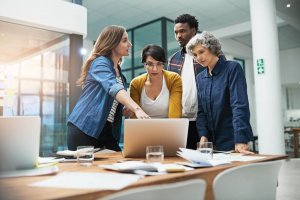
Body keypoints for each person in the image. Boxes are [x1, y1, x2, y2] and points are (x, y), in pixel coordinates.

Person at [67, 25, 149, 152]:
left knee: (118, 159)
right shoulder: (100, 62)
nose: (130, 44)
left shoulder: (120, 75)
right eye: (124, 40)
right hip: (85, 127)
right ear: (112, 43)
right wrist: (137, 108)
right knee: (87, 169)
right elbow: (113, 87)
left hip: (105, 129)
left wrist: (122, 110)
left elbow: (110, 101)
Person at [186, 31, 254, 154]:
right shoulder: (200, 78)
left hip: (233, 141)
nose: (198, 58)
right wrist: (203, 135)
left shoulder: (232, 69)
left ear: (212, 48)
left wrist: (240, 139)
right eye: (195, 55)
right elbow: (201, 111)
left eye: (201, 52)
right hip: (211, 145)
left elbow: (239, 106)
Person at [167, 14, 204, 149]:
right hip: (181, 121)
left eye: (182, 31)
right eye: (176, 32)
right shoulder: (173, 60)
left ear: (193, 31)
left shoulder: (206, 55)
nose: (178, 36)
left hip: (203, 120)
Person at [127, 44, 182, 118]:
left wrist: (171, 129)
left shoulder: (174, 79)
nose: (155, 69)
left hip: (168, 127)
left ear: (163, 64)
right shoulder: (136, 83)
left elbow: (175, 115)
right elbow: (134, 116)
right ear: (144, 65)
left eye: (159, 64)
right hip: (143, 128)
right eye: (150, 64)